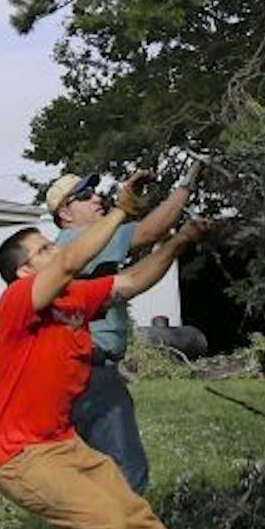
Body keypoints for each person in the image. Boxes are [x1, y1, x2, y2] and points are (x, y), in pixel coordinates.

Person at [0, 172, 265, 529]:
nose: (55, 251)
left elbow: (132, 281)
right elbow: (75, 256)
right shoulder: (18, 303)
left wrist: (176, 244)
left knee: (132, 513)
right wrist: (121, 211)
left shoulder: (73, 299)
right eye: (44, 251)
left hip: (61, 443)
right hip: (17, 453)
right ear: (24, 272)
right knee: (102, 522)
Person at [44, 158, 200, 493]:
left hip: (72, 373)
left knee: (88, 473)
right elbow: (152, 231)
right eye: (85, 195)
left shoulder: (69, 248)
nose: (97, 198)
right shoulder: (80, 239)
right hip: (93, 373)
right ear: (65, 214)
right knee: (127, 471)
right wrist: (189, 181)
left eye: (95, 192)